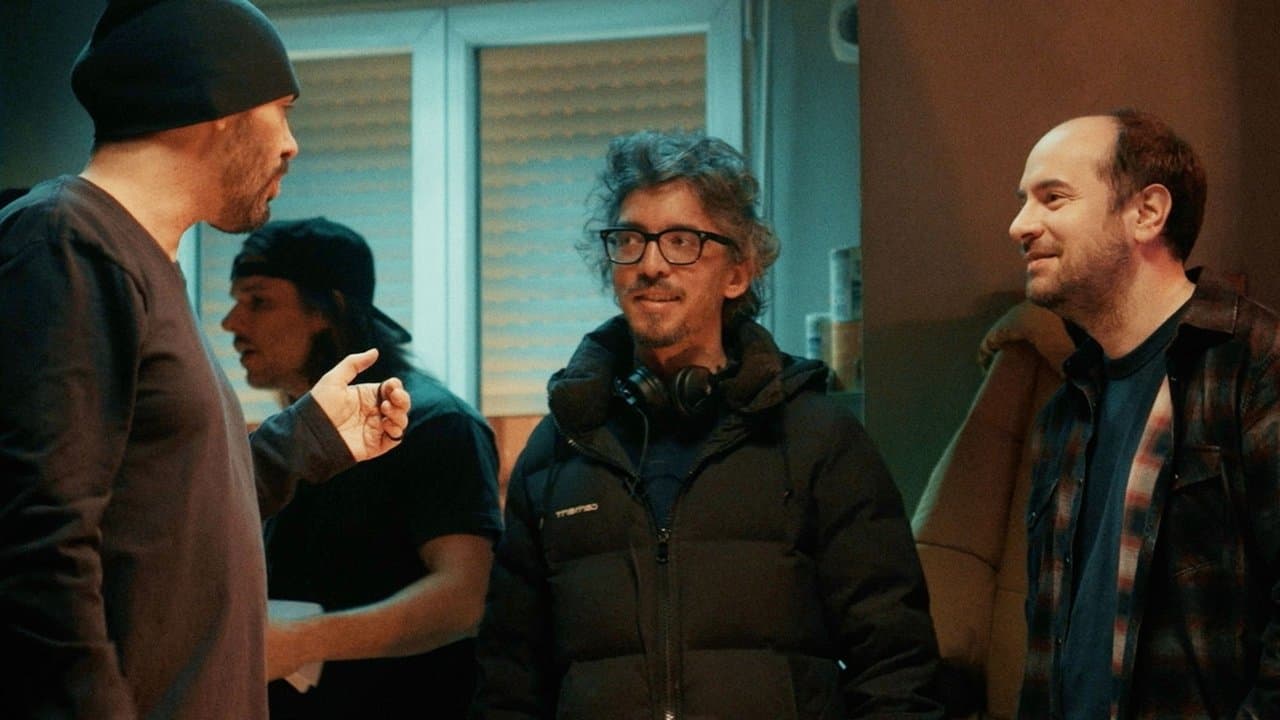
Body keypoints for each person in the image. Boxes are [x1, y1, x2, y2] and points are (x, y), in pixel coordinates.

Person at [0, 2, 411, 718]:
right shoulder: (68, 243)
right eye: (281, 110)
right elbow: (38, 546)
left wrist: (305, 439)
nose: (291, 144)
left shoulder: (136, 260)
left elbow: (163, 515)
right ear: (217, 108)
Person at [471, 130, 942, 718]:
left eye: (681, 242)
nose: (650, 265)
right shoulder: (559, 449)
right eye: (630, 240)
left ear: (737, 272)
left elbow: (896, 669)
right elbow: (507, 683)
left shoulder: (819, 440)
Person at [1011, 109, 1280, 718]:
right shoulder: (1063, 414)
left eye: (1053, 198)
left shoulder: (1254, 367)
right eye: (1023, 200)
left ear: (1147, 212)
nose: (1020, 224)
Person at [221, 217, 503, 719]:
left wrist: (300, 640)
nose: (231, 323)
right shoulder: (282, 442)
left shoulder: (431, 422)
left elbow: (466, 596)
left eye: (258, 301)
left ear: (327, 311)